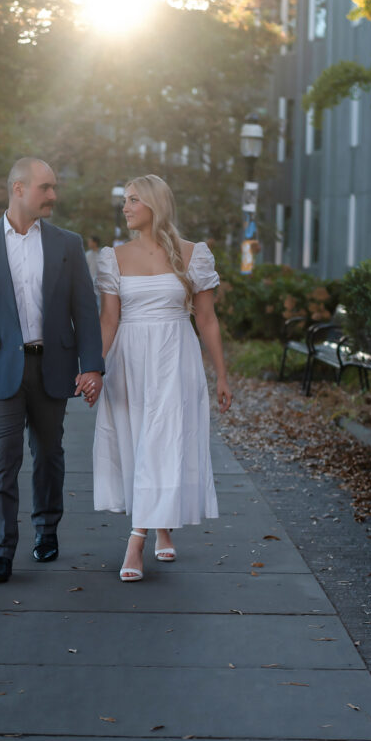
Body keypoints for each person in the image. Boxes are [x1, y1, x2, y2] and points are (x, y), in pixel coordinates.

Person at [0, 157, 104, 584]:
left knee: (49, 455)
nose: (53, 195)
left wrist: (91, 366)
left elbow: (85, 311)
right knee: (2, 458)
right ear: (18, 189)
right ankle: (1, 550)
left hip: (52, 365)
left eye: (53, 187)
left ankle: (46, 530)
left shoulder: (66, 244)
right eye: (45, 187)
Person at [92, 174, 232, 582]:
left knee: (162, 438)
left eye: (133, 199)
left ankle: (137, 539)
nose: (126, 207)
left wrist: (221, 374)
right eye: (125, 199)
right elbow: (109, 320)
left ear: (155, 204)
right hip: (130, 359)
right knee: (140, 440)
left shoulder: (194, 254)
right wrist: (93, 370)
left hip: (176, 357)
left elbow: (206, 319)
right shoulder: (113, 257)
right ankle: (162, 525)